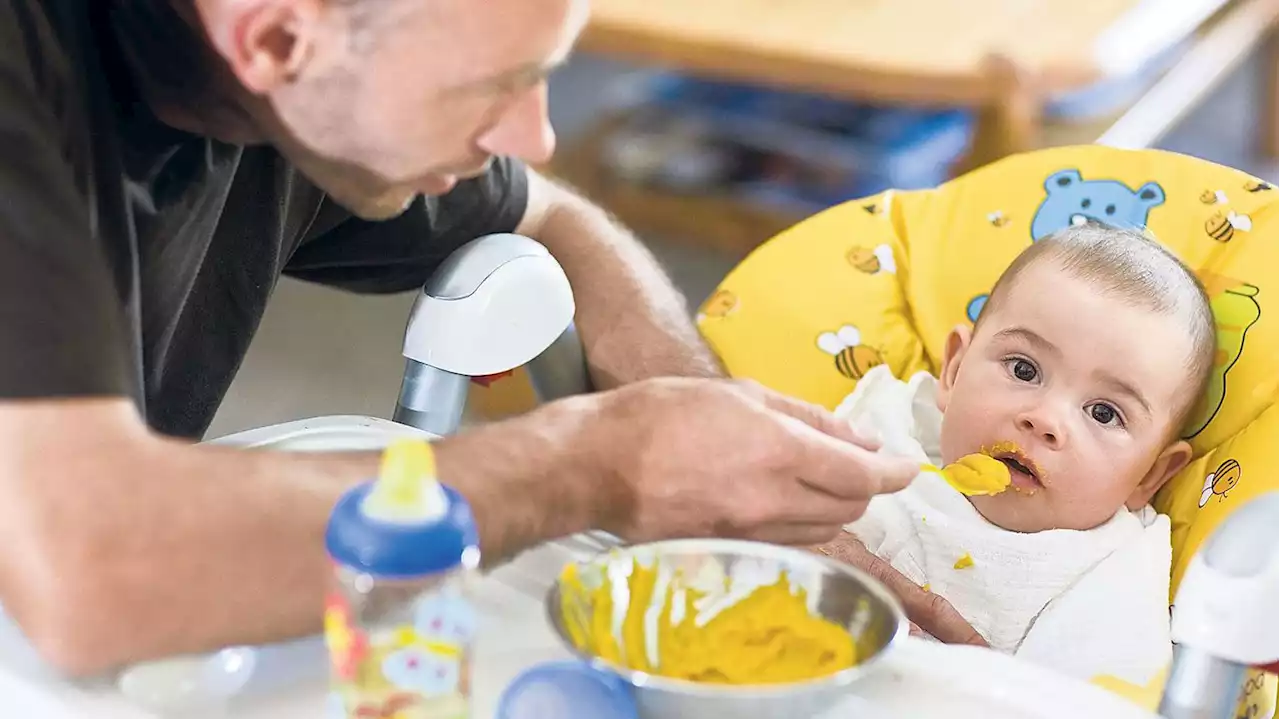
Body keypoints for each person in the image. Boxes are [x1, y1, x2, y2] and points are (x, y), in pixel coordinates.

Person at [0, 0, 943, 676]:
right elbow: (87, 566)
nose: (534, 135)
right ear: (281, 38)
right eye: (497, 85)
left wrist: (724, 464)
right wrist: (596, 463)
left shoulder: (307, 81)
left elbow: (556, 225)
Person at [816, 224, 1216, 684]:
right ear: (955, 370)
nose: (1044, 419)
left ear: (1149, 477)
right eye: (1024, 369)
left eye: (1104, 414)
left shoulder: (1110, 573)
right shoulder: (878, 433)